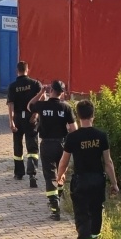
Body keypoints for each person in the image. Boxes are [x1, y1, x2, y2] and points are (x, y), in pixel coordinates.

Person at [55, 99, 120, 239]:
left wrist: (59, 177)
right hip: (98, 181)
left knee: (82, 217)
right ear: (93, 115)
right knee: (96, 213)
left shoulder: (72, 137)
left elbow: (64, 161)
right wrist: (114, 184)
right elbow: (108, 162)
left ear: (77, 115)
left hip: (81, 182)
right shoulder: (101, 136)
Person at [29, 79, 76, 218]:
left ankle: (55, 208)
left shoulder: (42, 105)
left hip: (47, 145)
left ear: (51, 91)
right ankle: (58, 197)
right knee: (61, 172)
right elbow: (74, 129)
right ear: (62, 93)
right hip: (62, 145)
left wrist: (41, 92)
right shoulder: (66, 108)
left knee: (50, 175)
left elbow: (29, 105)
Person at [5, 61, 43, 186]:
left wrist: (11, 121)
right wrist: (36, 113)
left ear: (17, 71)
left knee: (17, 144)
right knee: (32, 145)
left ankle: (19, 173)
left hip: (18, 118)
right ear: (28, 69)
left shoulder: (12, 86)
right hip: (31, 118)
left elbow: (11, 105)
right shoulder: (35, 84)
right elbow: (42, 99)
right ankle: (32, 173)